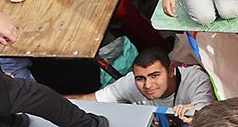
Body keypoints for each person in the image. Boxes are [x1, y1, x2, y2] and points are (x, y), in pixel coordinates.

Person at [74, 47, 214, 115]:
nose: (147, 85)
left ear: (171, 70)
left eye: (155, 75)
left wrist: (194, 112)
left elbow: (206, 114)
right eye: (140, 78)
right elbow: (91, 99)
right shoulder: (130, 83)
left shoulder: (196, 80)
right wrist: (55, 105)